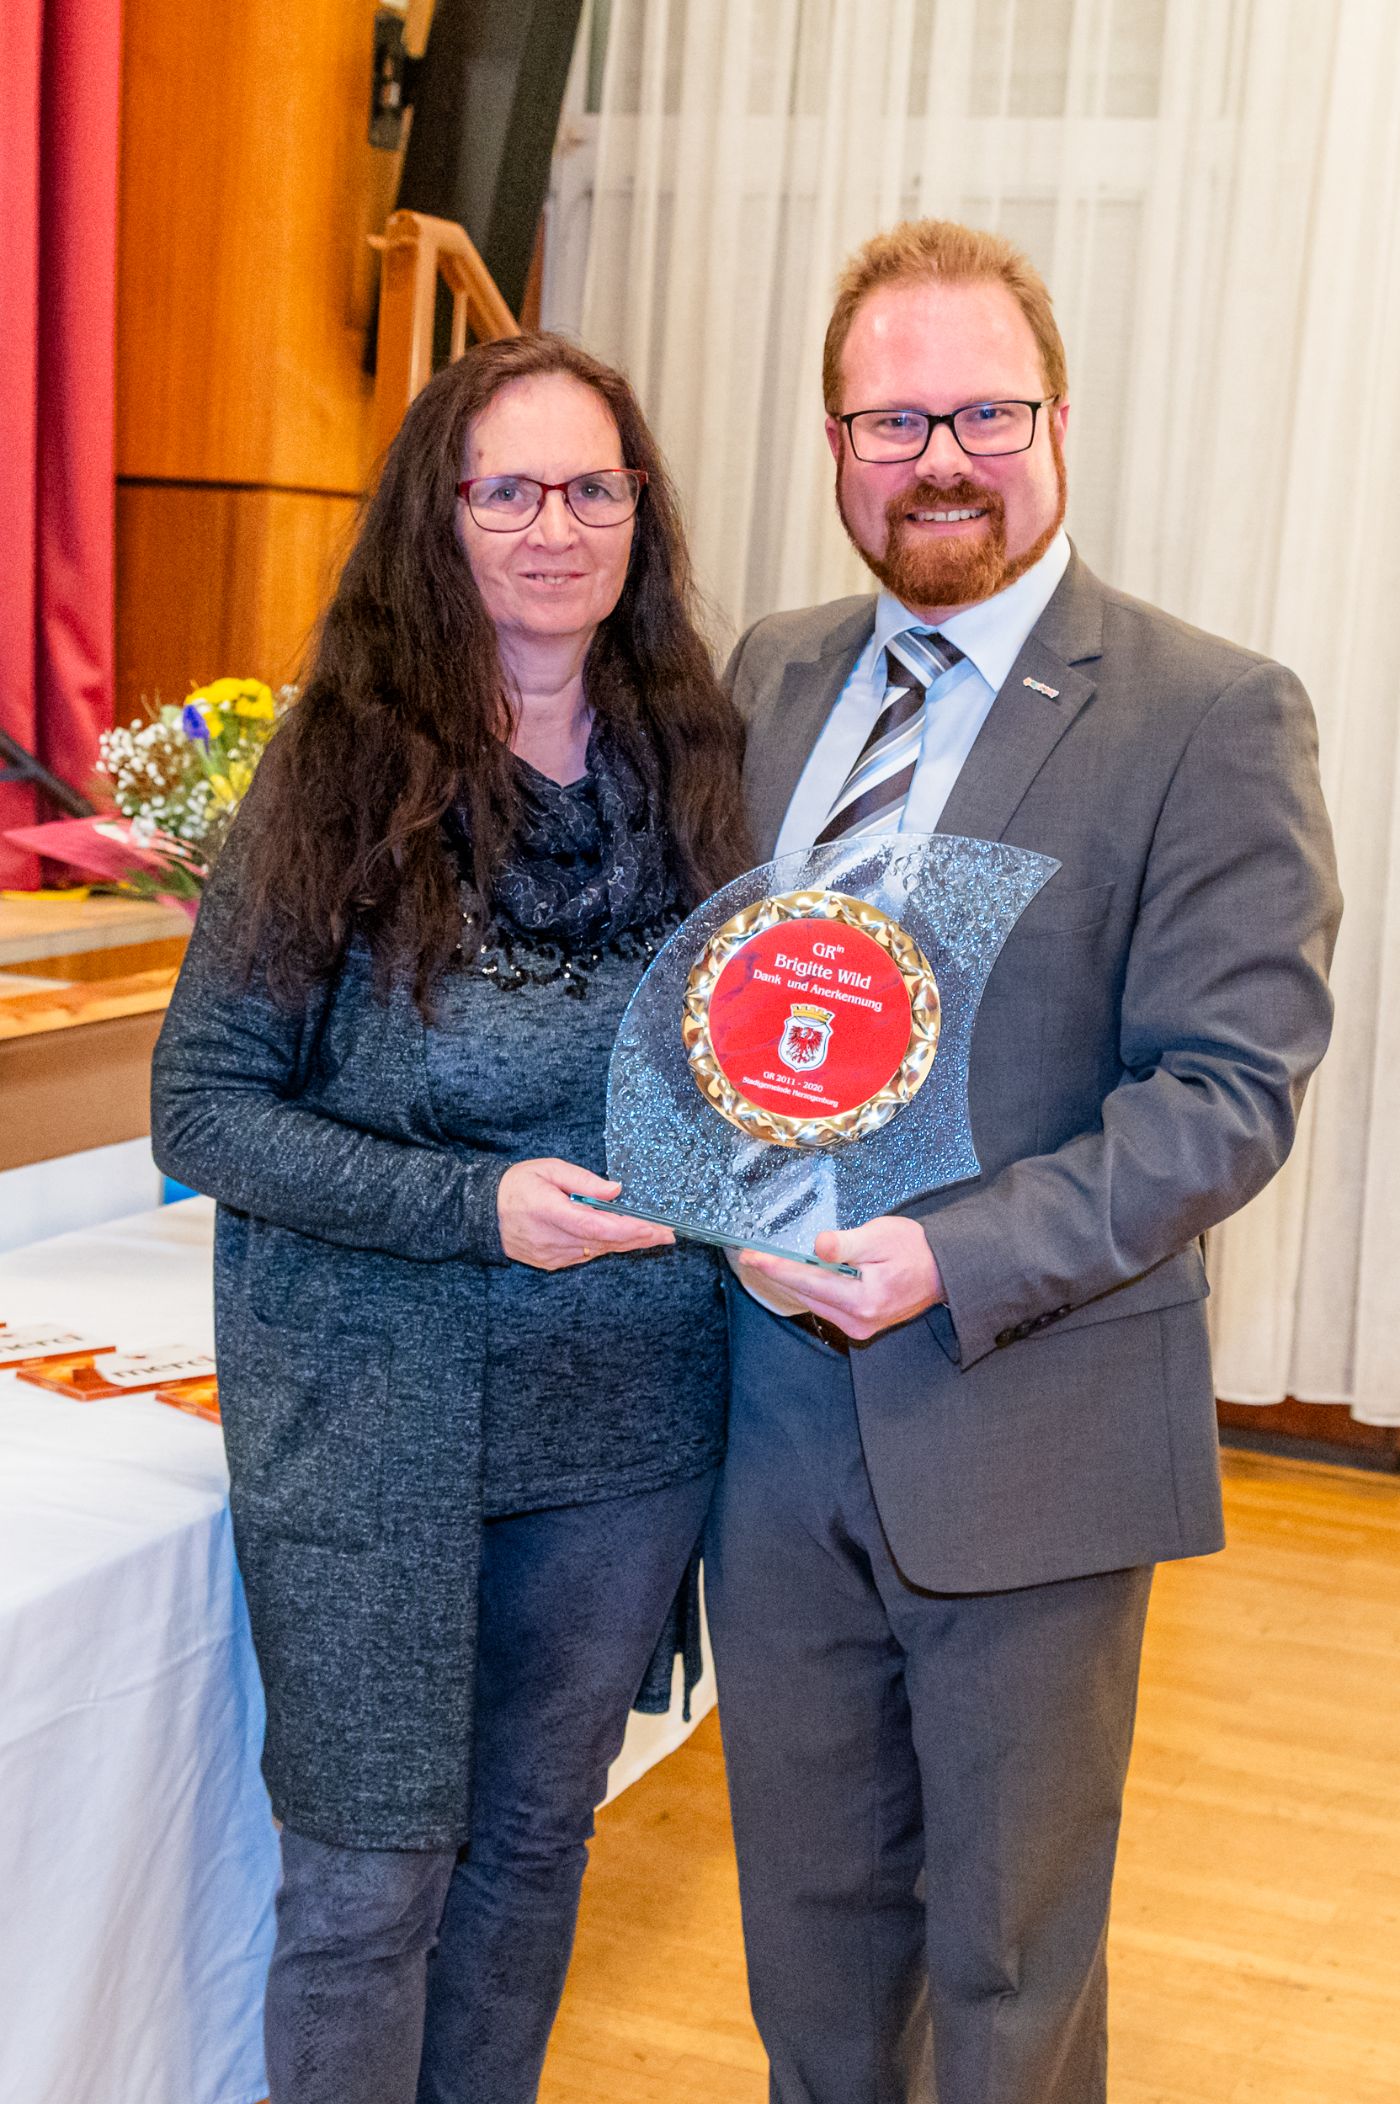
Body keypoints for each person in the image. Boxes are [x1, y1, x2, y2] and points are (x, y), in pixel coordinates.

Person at [705, 218, 1342, 2104]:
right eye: (891, 423)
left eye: (984, 412)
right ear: (835, 445)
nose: (941, 461)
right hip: (766, 1423)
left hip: (1026, 1410)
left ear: (1061, 422)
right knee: (807, 1937)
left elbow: (1228, 1087)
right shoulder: (772, 672)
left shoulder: (1208, 712)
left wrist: (946, 1257)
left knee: (1010, 1964)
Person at [151, 332, 750, 2104]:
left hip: (631, 1418)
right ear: (440, 515)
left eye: (592, 488)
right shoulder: (335, 772)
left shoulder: (701, 765)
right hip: (374, 1422)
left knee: (533, 1847)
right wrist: (477, 1207)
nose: (555, 528)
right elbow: (203, 1107)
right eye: (509, 491)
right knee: (368, 1890)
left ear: (639, 514)